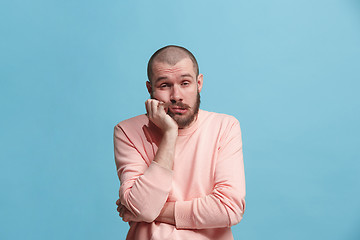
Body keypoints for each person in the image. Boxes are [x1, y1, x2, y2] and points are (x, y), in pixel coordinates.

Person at [114, 45, 246, 240]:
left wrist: (153, 212)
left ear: (199, 83)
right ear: (150, 89)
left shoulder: (224, 127)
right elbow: (143, 207)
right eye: (165, 85)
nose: (176, 96)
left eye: (185, 83)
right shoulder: (127, 131)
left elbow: (229, 208)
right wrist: (169, 134)